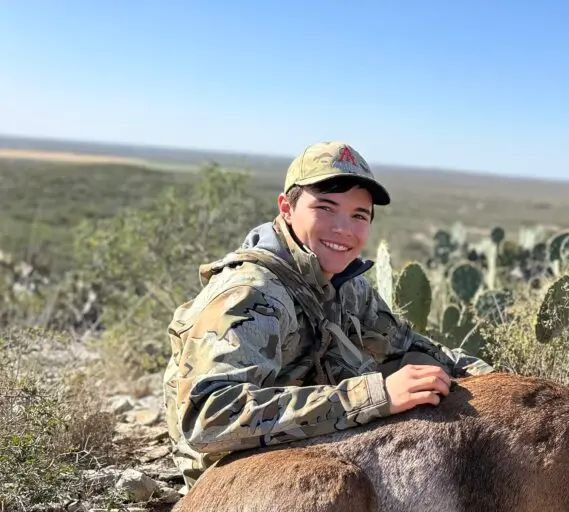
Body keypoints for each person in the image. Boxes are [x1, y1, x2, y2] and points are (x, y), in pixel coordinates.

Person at [162, 140, 493, 489]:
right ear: (287, 208)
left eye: (358, 215)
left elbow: (408, 344)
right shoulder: (251, 292)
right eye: (326, 208)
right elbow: (208, 419)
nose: (344, 229)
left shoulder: (345, 283)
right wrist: (373, 396)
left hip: (300, 450)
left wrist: (495, 383)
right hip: (235, 480)